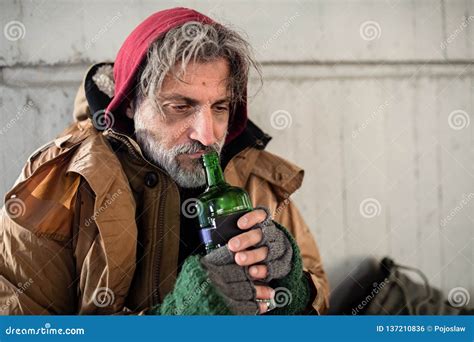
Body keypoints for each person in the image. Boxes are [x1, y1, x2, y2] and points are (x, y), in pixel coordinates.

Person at [0, 7, 329, 315]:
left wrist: (291, 289)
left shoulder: (260, 182)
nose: (206, 134)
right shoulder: (61, 185)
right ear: (130, 104)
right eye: (180, 107)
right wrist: (175, 320)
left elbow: (322, 301)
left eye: (219, 107)